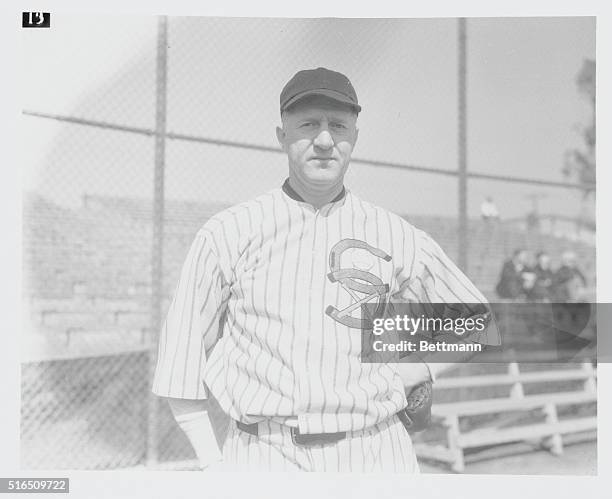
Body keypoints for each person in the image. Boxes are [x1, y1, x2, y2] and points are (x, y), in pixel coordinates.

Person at [151, 67, 497, 472]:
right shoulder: (230, 231)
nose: (324, 140)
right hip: (266, 452)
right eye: (308, 124)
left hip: (376, 449)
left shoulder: (396, 233)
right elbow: (181, 356)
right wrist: (211, 462)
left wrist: (419, 368)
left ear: (354, 137)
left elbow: (477, 320)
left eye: (338, 125)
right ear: (282, 136)